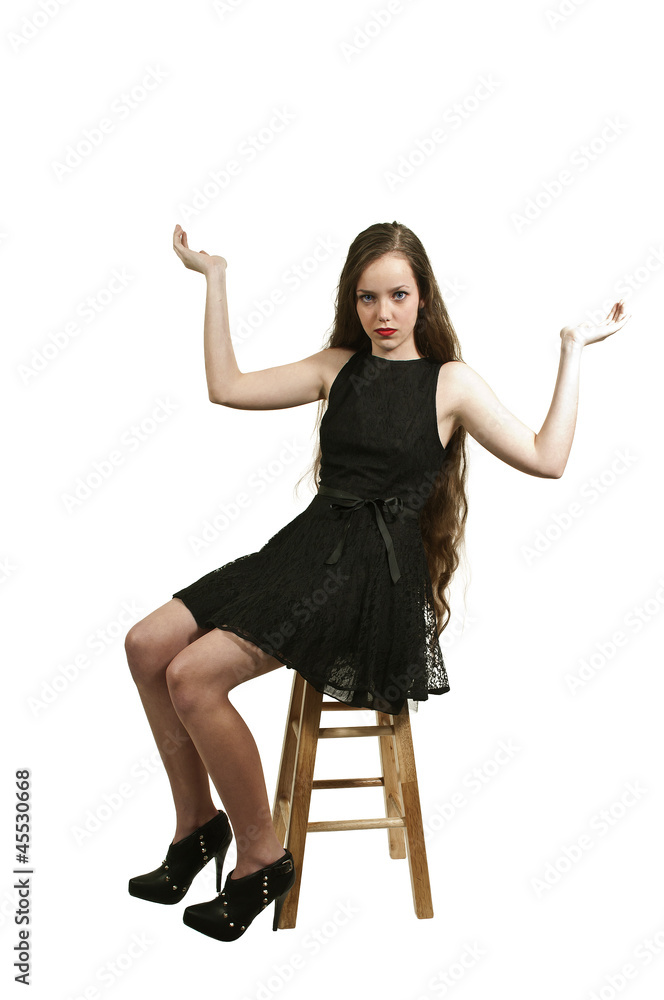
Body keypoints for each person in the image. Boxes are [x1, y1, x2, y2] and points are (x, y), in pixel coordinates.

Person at [124, 221, 631, 941]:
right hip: (303, 550)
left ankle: (261, 858)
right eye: (368, 298)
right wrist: (216, 278)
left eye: (398, 295)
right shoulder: (337, 368)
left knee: (192, 678)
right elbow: (226, 387)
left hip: (370, 582)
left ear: (423, 298)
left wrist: (573, 349)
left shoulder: (450, 383)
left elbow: (548, 459)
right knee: (146, 645)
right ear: (352, 301)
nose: (383, 313)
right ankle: (196, 826)